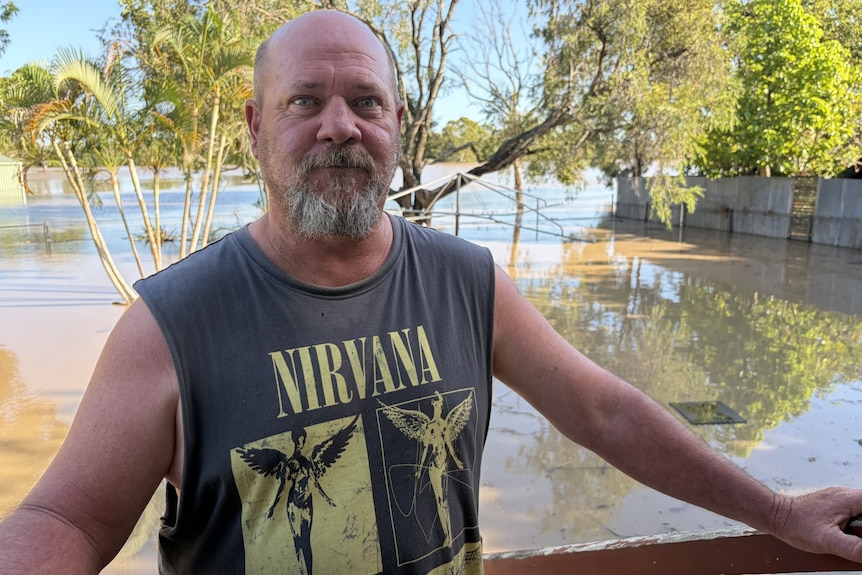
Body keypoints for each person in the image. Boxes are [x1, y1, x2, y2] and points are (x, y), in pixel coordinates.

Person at [0, 9, 861, 574]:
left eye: (365, 100)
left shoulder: (468, 280)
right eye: (305, 100)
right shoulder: (170, 324)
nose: (340, 123)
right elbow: (66, 520)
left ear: (397, 126)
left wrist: (778, 510)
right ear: (258, 129)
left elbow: (606, 412)